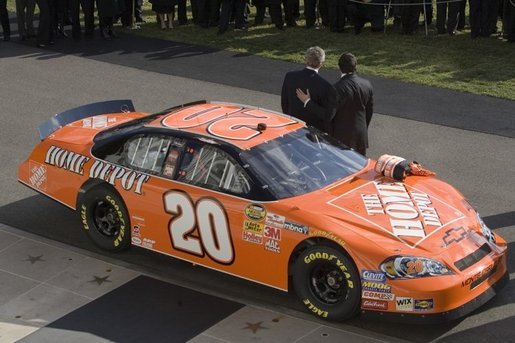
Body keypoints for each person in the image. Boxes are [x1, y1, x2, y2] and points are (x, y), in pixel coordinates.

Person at [281, 46, 336, 133]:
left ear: (305, 60)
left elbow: (284, 103)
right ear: (321, 63)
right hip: (313, 133)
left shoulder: (290, 76)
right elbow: (326, 115)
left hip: (292, 127)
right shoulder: (325, 86)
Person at [331, 53, 374, 156]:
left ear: (339, 67)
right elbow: (369, 111)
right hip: (361, 135)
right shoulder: (367, 84)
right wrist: (363, 127)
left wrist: (308, 102)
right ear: (356, 66)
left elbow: (330, 115)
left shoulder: (337, 88)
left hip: (341, 138)